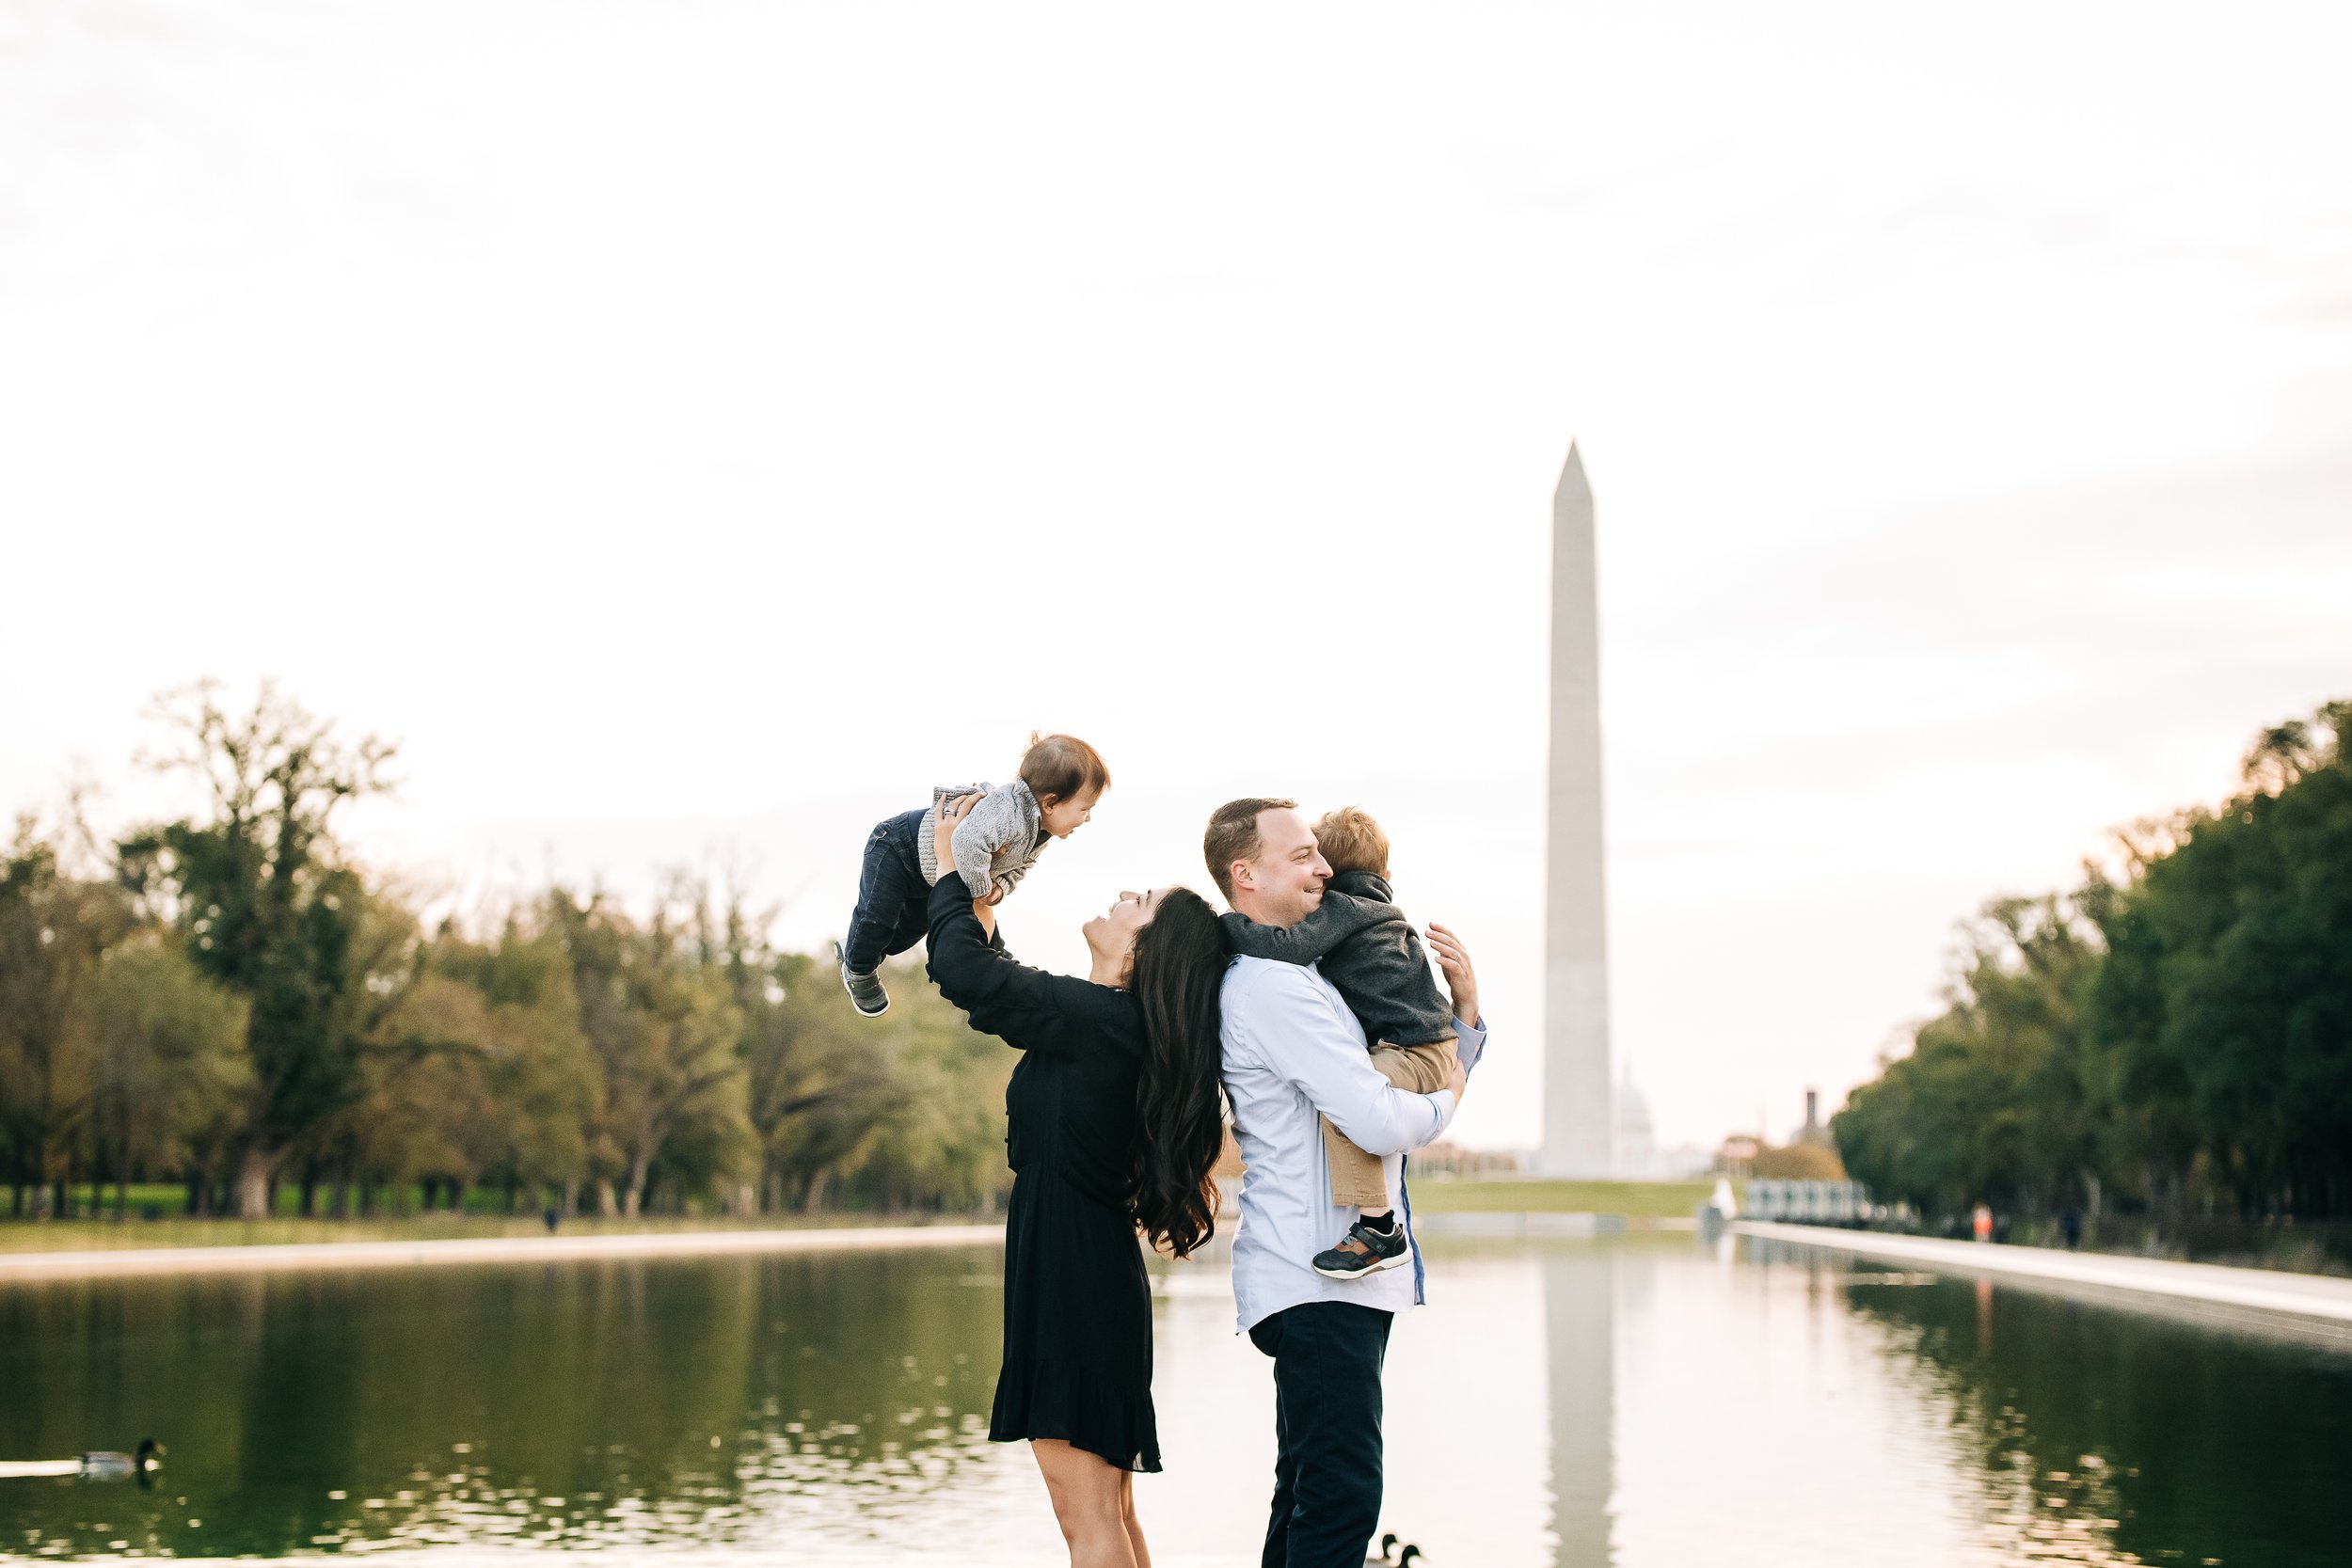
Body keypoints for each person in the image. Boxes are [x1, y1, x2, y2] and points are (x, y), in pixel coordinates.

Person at [925, 794, 1229, 1568]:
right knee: (1108, 1514)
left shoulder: (1102, 1023)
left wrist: (950, 869)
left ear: (1148, 952)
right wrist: (985, 903)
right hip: (1083, 1273)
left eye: (1144, 902)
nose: (1126, 895)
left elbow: (966, 974)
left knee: (1087, 1517)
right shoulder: (1110, 1024)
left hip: (1070, 1278)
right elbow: (1006, 986)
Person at [1203, 798, 1486, 1568]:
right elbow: (1380, 1119)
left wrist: (1461, 1021)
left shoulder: (1304, 976)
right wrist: (1450, 1094)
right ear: (1246, 873)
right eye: (1302, 856)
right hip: (1319, 1279)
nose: (1324, 867)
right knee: (1340, 1495)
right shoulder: (1275, 987)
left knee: (1308, 1489)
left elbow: (1405, 1065)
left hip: (1327, 1278)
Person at [1220, 805, 1455, 1279]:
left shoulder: (1344, 910)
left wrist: (1220, 928)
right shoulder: (1385, 912)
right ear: (1385, 873)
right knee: (1355, 1096)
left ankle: (1378, 1227)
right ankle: (1378, 1224)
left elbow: (1284, 945)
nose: (1317, 872)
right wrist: (1466, 1019)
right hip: (1429, 1043)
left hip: (1412, 1049)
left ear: (1332, 875)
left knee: (1354, 1101)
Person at [839, 732, 1110, 1016]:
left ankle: (855, 945)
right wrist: (981, 888)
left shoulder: (1040, 833)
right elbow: (966, 842)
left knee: (900, 938)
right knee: (878, 920)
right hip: (898, 847)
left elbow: (1018, 868)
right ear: (1051, 803)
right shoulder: (1007, 813)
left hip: (931, 876)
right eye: (1085, 808)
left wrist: (1000, 888)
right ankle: (859, 972)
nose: (1088, 818)